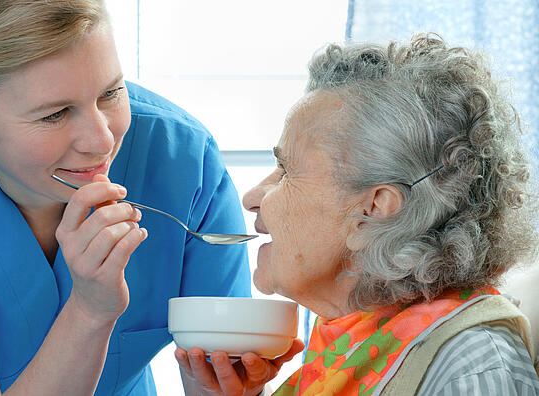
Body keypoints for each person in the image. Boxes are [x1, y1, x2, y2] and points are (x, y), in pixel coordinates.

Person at [0, 1, 254, 395]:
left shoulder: (183, 161)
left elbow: (217, 369)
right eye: (54, 114)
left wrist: (235, 381)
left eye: (110, 93)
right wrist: (90, 310)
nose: (102, 140)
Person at [176, 34, 539, 395]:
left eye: (286, 170)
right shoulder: (349, 346)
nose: (252, 197)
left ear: (374, 210)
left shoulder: (470, 367)